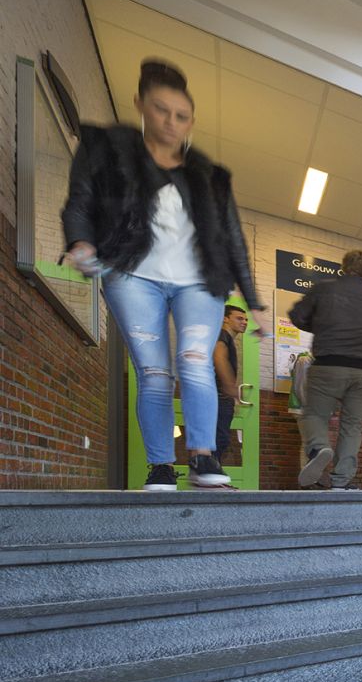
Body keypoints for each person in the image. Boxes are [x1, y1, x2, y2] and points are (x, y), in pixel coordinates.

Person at [62, 58, 265, 491]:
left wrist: (255, 301)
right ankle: (159, 465)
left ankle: (203, 457)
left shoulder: (209, 177)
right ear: (139, 105)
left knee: (194, 364)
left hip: (198, 281)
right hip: (133, 275)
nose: (171, 123)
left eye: (182, 116)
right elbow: (79, 201)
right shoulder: (107, 151)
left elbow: (231, 238)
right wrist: (81, 242)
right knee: (154, 373)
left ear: (191, 121)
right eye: (160, 110)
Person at [289, 249, 362, 490]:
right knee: (353, 425)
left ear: (344, 268)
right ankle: (341, 480)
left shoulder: (325, 288)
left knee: (315, 414)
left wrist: (323, 325)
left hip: (330, 363)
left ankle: (319, 447)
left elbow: (297, 316)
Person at [213, 303, 249, 464]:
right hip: (218, 397)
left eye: (246, 319)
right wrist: (230, 387)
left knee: (220, 439)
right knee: (219, 439)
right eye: (239, 318)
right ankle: (209, 476)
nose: (244, 322)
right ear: (225, 319)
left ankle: (211, 475)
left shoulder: (227, 338)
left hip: (221, 398)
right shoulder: (222, 336)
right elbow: (219, 357)